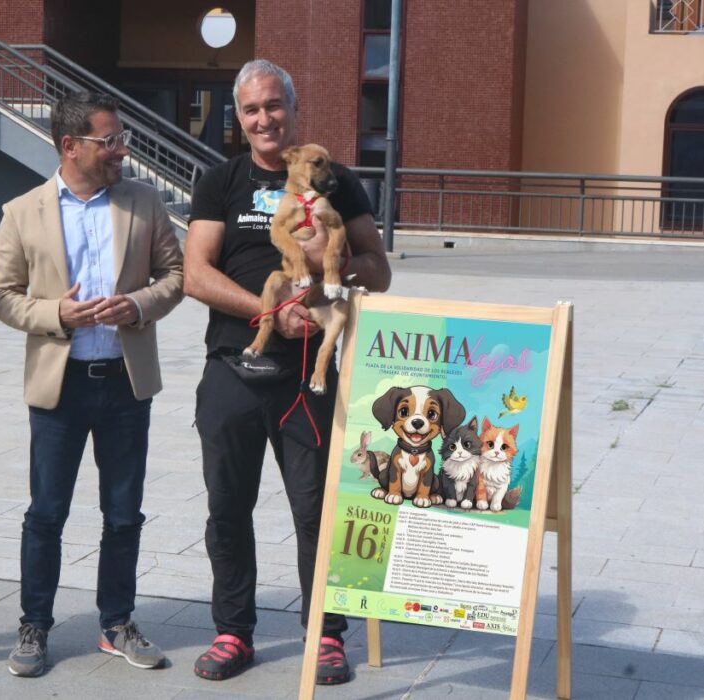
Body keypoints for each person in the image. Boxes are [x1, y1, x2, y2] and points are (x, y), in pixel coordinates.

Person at [183, 59, 392, 685]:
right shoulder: (220, 181)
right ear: (239, 117)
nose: (264, 118)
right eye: (251, 109)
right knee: (227, 506)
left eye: (274, 105)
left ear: (293, 111)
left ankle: (325, 633)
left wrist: (335, 273)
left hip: (309, 373)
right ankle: (232, 630)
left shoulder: (338, 180)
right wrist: (271, 311)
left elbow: (378, 268)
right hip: (234, 362)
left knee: (316, 510)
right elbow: (196, 273)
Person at [0, 91, 184, 678]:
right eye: (110, 141)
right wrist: (56, 314)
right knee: (46, 512)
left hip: (125, 383)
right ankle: (34, 625)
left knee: (123, 513)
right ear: (70, 146)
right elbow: (1, 294)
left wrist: (138, 305)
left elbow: (175, 276)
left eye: (123, 139)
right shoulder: (23, 211)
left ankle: (116, 622)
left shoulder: (144, 201)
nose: (121, 150)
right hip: (60, 387)